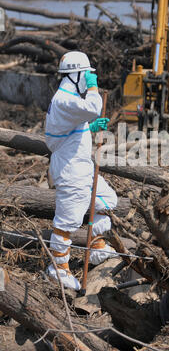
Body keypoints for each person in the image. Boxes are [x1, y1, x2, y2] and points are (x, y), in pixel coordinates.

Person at [45, 51, 118, 290]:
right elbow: (93, 108)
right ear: (76, 75)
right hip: (70, 168)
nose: (88, 78)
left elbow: (75, 123)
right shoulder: (64, 99)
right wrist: (94, 88)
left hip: (81, 166)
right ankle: (58, 267)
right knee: (68, 220)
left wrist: (88, 128)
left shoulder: (70, 97)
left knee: (106, 200)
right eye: (86, 74)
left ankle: (96, 246)